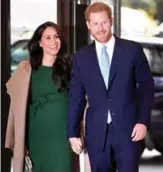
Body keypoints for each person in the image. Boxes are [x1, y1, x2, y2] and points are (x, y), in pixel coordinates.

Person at [68, 2, 154, 172]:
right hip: (97, 134)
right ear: (88, 25)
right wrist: (72, 132)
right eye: (95, 24)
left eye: (104, 22)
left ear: (111, 21)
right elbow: (76, 97)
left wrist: (143, 121)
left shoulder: (132, 50)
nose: (100, 28)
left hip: (129, 132)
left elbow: (146, 87)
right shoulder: (81, 58)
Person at [5, 21, 74, 172]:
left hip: (62, 134)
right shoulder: (26, 69)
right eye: (48, 38)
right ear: (40, 43)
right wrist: (19, 139)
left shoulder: (71, 67)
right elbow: (15, 103)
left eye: (56, 37)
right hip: (36, 134)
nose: (53, 42)